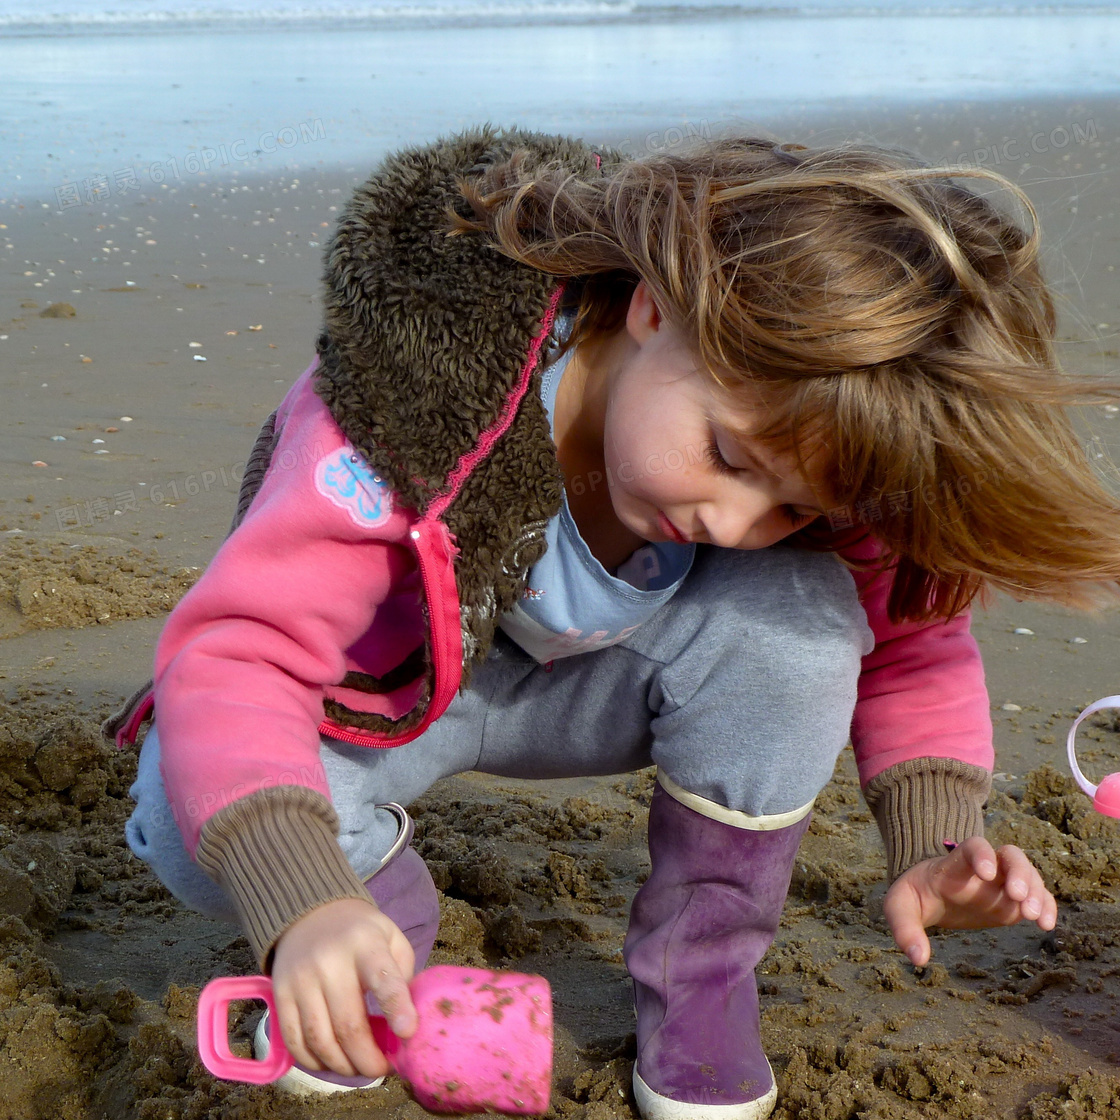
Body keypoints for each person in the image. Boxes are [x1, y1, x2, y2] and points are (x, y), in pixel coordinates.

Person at [111, 125, 1120, 1120]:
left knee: (804, 625)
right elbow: (239, 660)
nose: (736, 521)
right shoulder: (402, 418)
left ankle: (703, 982)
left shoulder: (813, 438)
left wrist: (935, 841)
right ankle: (371, 933)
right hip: (382, 700)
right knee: (188, 815)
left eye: (793, 508)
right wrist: (308, 902)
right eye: (726, 456)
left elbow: (907, 638)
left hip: (609, 683)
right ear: (653, 307)